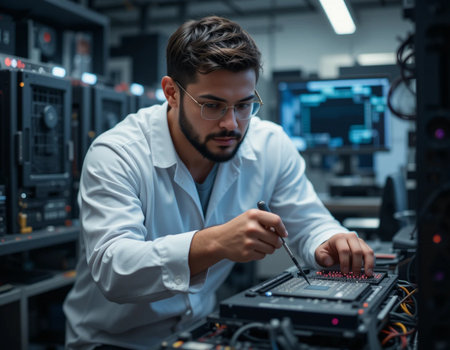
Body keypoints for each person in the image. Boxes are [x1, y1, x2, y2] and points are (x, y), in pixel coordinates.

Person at [63, 15, 374, 350]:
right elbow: (114, 269)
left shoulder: (269, 144)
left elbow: (309, 221)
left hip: (200, 332)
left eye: (244, 106)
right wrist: (213, 243)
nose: (232, 125)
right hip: (115, 341)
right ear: (171, 92)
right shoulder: (118, 153)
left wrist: (330, 240)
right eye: (212, 105)